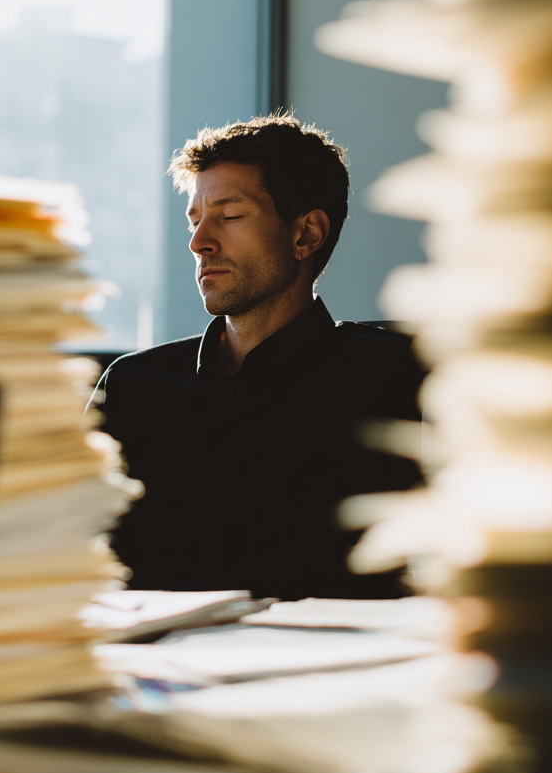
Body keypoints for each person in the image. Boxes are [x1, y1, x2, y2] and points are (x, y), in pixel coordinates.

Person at [93, 115, 423, 598]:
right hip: (141, 655)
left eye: (228, 216)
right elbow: (79, 552)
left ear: (305, 235)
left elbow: (340, 563)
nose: (199, 242)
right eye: (195, 220)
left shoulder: (382, 374)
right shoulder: (133, 384)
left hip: (310, 658)